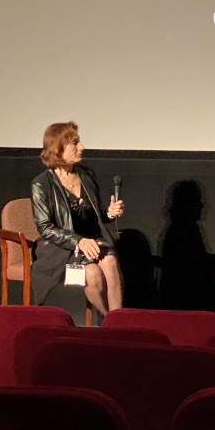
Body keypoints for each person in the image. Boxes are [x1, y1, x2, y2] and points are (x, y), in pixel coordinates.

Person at [31, 121, 124, 316]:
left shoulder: (86, 176)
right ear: (58, 149)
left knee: (111, 263)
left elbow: (95, 214)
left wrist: (109, 213)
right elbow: (45, 227)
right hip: (61, 250)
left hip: (93, 242)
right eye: (75, 143)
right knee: (93, 274)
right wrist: (78, 241)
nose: (81, 147)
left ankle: (118, 320)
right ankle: (108, 319)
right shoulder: (41, 184)